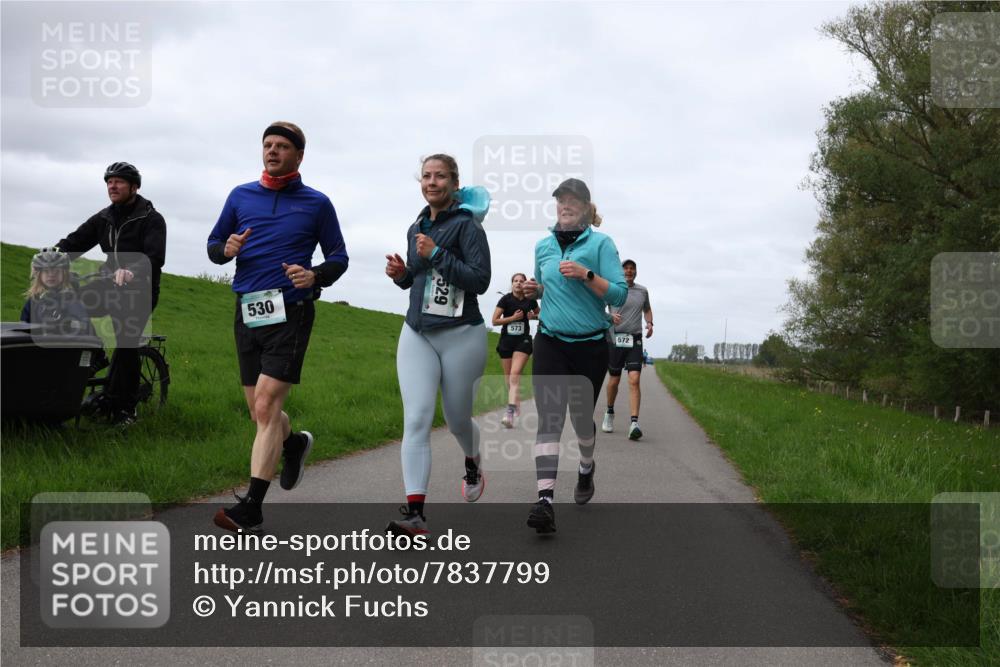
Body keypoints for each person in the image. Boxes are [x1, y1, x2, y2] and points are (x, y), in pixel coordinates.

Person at [207, 121, 349, 534]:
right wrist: (225, 249)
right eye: (267, 145)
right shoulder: (240, 196)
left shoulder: (317, 203)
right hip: (249, 310)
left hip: (291, 310)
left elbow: (338, 256)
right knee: (259, 411)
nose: (272, 151)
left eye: (282, 146)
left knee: (268, 406)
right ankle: (294, 444)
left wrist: (316, 276)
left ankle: (251, 508)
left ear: (299, 155)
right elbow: (214, 246)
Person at [384, 154, 491, 537]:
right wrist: (402, 274)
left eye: (440, 176)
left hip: (462, 334)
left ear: (453, 182)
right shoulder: (416, 226)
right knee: (416, 418)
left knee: (457, 419)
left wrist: (438, 254)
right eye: (426, 176)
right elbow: (418, 276)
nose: (432, 182)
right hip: (417, 332)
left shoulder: (468, 227)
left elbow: (479, 280)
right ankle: (415, 512)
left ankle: (473, 460)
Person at [521, 178, 627, 534]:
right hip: (550, 341)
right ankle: (545, 501)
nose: (564, 205)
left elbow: (619, 294)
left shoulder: (601, 244)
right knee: (550, 419)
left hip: (590, 346)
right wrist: (531, 290)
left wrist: (586, 274)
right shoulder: (543, 246)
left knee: (581, 421)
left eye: (572, 200)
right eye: (560, 200)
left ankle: (585, 467)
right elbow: (542, 288)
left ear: (584, 207)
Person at [54, 161, 166, 424]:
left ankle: (126, 409)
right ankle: (97, 353)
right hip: (108, 283)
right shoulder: (104, 218)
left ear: (134, 187)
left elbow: (154, 257)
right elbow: (77, 240)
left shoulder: (151, 219)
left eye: (119, 182)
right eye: (108, 182)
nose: (112, 186)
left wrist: (131, 270)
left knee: (126, 344)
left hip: (139, 290)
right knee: (71, 303)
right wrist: (55, 255)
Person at [602, 259, 654, 440]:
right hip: (615, 338)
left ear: (636, 272)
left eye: (632, 269)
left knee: (634, 379)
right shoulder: (612, 288)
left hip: (635, 338)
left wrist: (649, 323)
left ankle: (634, 423)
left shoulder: (642, 291)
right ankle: (609, 412)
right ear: (620, 271)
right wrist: (609, 316)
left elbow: (647, 309)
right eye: (626, 268)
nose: (629, 271)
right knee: (614, 380)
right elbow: (598, 307)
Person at [492, 273, 539, 428]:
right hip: (506, 341)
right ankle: (515, 402)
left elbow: (540, 314)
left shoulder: (530, 300)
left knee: (515, 373)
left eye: (521, 281)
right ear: (511, 284)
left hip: (523, 341)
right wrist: (512, 318)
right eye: (515, 281)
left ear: (524, 284)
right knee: (508, 378)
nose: (518, 283)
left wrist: (534, 316)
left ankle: (510, 412)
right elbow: (495, 321)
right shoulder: (505, 299)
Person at [20, 247, 94, 337]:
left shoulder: (72, 300)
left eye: (56, 271)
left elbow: (85, 330)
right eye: (46, 271)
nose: (51, 275)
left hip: (66, 347)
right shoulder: (33, 301)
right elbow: (23, 329)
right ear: (39, 275)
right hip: (37, 348)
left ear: (64, 274)